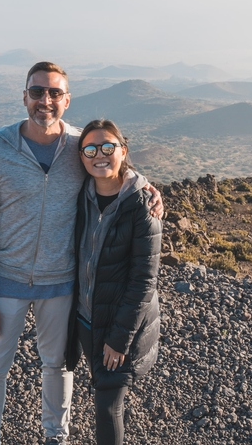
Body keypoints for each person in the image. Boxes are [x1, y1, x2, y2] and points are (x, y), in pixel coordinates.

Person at [0, 62, 163, 445]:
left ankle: (55, 438)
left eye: (54, 93)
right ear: (24, 96)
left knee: (58, 366)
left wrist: (149, 188)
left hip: (60, 282)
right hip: (6, 279)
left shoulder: (78, 147)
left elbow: (115, 167)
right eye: (37, 91)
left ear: (67, 100)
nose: (45, 100)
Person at [66, 119, 162, 445]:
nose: (99, 155)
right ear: (80, 156)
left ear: (123, 150)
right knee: (101, 392)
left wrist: (119, 339)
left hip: (120, 325)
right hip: (85, 317)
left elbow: (143, 281)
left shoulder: (143, 205)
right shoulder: (79, 196)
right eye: (90, 149)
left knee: (108, 408)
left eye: (108, 147)